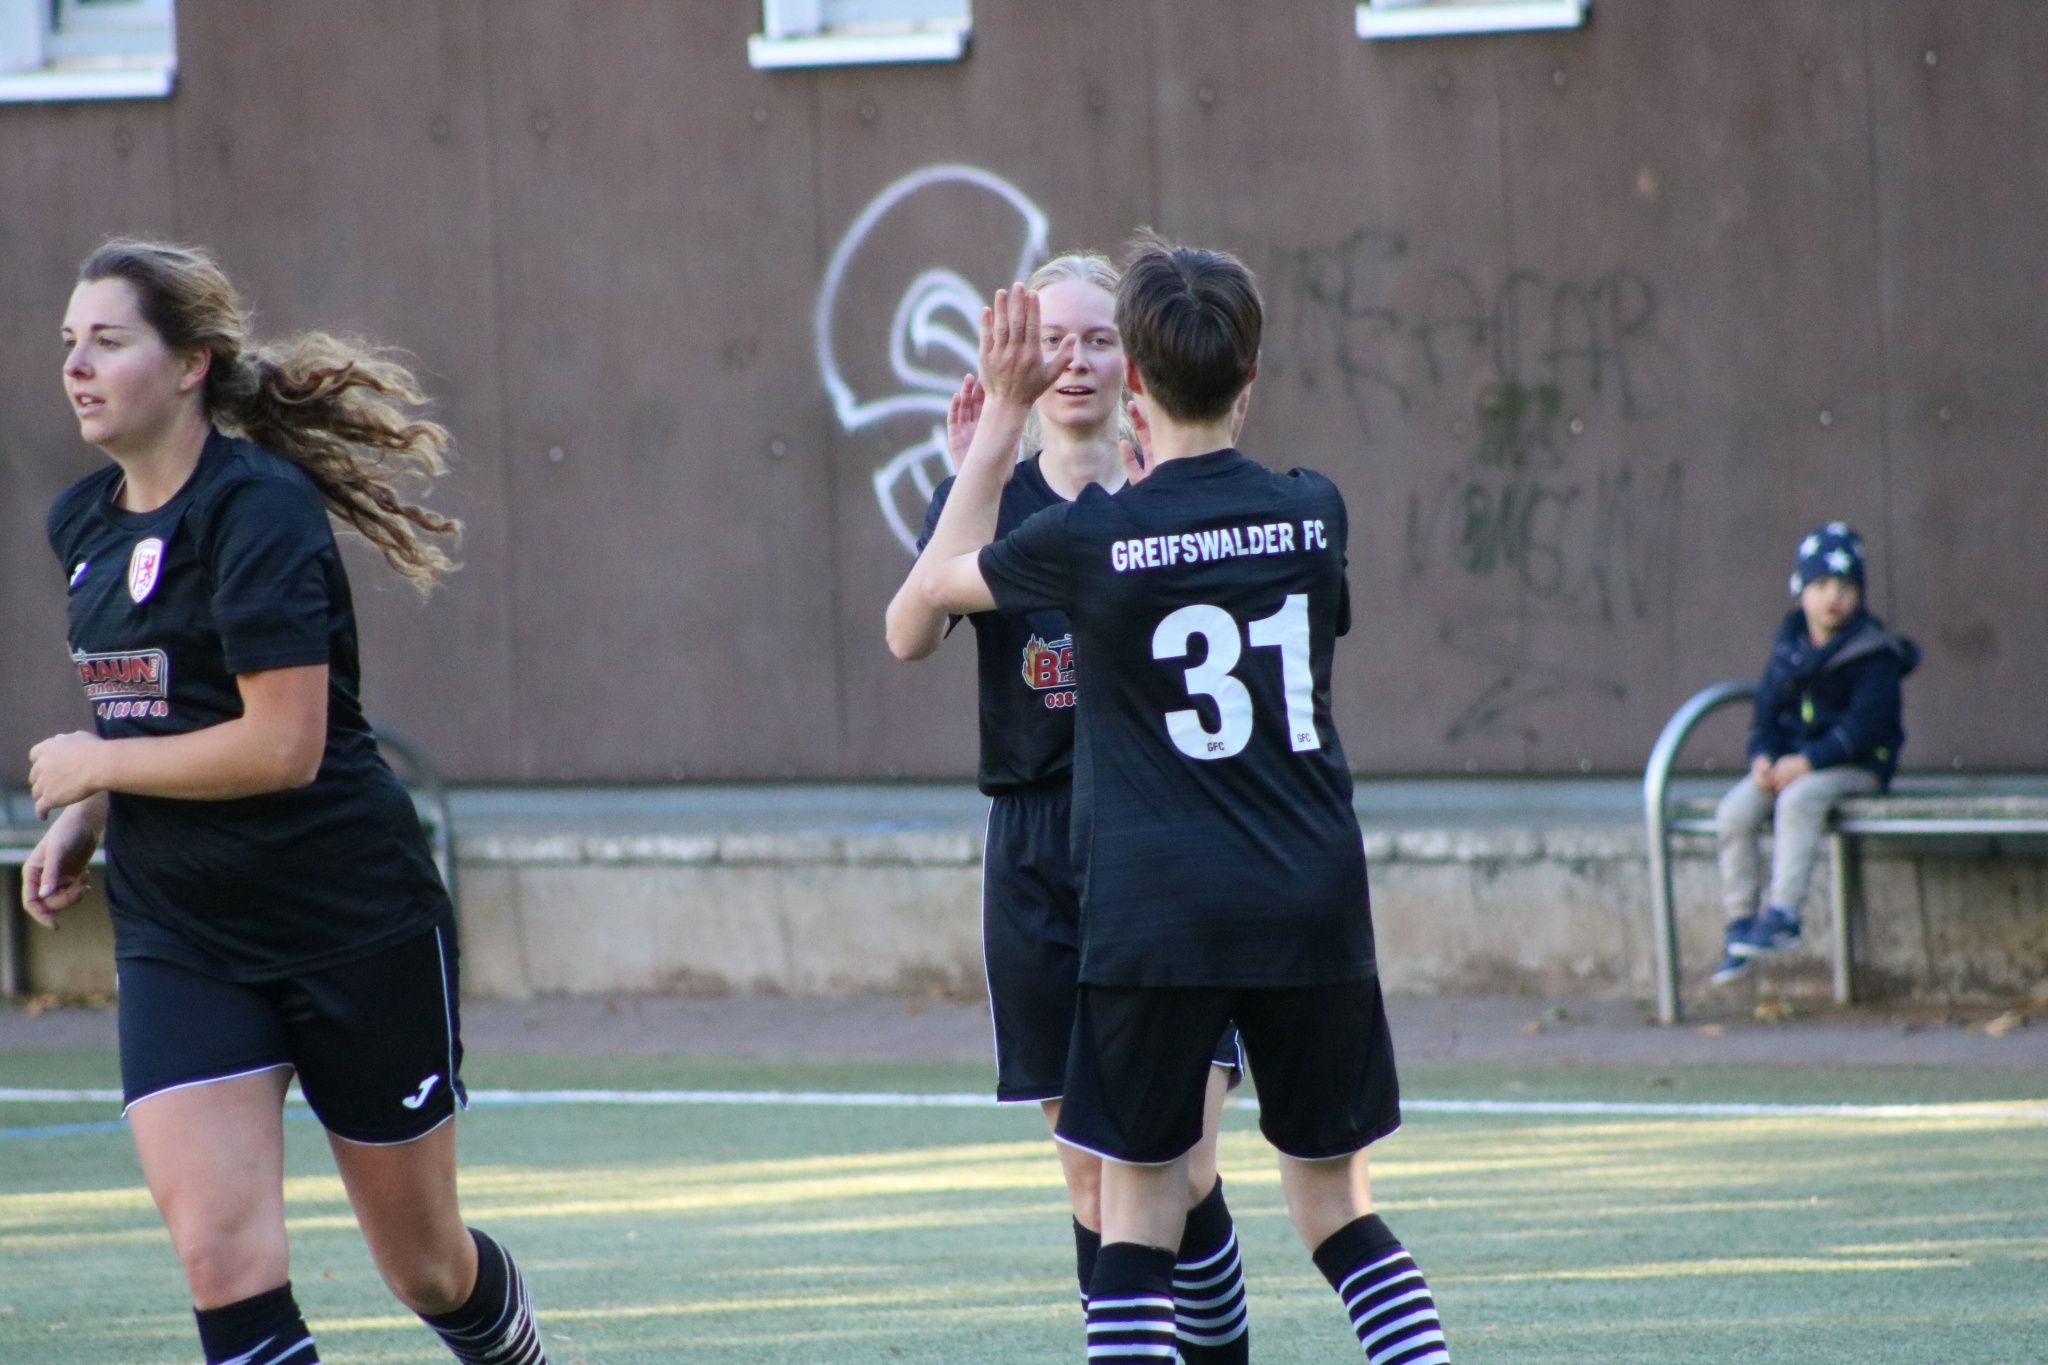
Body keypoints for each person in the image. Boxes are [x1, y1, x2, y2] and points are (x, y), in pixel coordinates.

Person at [906, 237, 1450, 1364]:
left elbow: (928, 599)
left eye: (1100, 342)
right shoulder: (1315, 509)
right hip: (1305, 888)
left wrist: (991, 439)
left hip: (1157, 899)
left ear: (1137, 380)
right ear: (1249, 379)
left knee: (1138, 1215)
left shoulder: (1094, 536)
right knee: (1336, 1209)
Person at [25, 240, 547, 1365]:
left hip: (347, 920)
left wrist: (99, 767)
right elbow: (158, 708)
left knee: (425, 1265)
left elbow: (282, 745)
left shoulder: (258, 509)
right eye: (69, 342)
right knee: (222, 1262)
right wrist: (89, 811)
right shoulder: (82, 524)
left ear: (191, 365)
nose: (76, 366)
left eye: (108, 341)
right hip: (183, 934)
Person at [884, 252, 1253, 1361]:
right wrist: (982, 457)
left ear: (1138, 360)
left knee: (1181, 1167)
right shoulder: (989, 494)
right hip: (1038, 843)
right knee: (1092, 1177)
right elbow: (907, 633)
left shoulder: (1171, 485)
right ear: (1014, 357)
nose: (1075, 361)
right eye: (1051, 341)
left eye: (1098, 339)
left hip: (1164, 836)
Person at [1711, 522, 1919, 985]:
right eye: (1821, 585)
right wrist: (1763, 758)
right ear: (1801, 591)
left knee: (1798, 800)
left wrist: (1808, 762)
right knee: (1735, 811)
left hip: (1856, 767)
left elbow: (1866, 728)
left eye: (1845, 587)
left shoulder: (1873, 654)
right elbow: (1766, 717)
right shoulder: (1788, 652)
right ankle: (1741, 924)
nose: (1833, 597)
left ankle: (1783, 914)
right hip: (1793, 766)